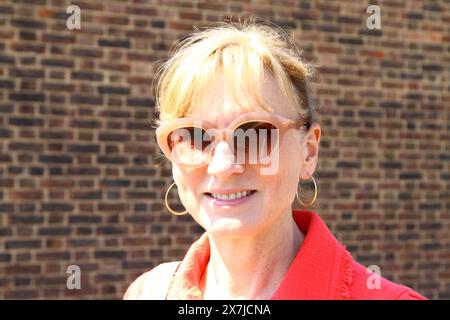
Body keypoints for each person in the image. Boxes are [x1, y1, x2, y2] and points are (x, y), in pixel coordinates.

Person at [123, 19, 426, 300]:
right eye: (193, 135)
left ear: (308, 150)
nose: (224, 165)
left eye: (256, 134)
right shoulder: (147, 292)